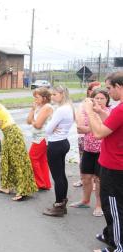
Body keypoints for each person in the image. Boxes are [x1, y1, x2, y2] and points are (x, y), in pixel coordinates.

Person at [85, 72, 123, 252]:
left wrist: (90, 113)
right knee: (110, 205)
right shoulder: (119, 109)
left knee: (114, 206)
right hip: (112, 162)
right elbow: (113, 121)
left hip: (115, 166)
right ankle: (110, 234)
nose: (107, 92)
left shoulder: (121, 109)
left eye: (109, 88)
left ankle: (119, 247)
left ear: (119, 86)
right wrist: (100, 112)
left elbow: (99, 133)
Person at [70, 89, 111, 217]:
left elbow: (103, 129)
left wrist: (90, 128)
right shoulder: (87, 111)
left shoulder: (108, 112)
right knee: (86, 177)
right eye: (96, 98)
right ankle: (85, 200)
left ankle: (99, 205)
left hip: (102, 151)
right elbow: (79, 128)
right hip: (88, 149)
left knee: (99, 180)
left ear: (107, 100)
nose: (98, 101)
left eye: (102, 98)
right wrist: (93, 127)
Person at [42, 86, 75, 217]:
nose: (52, 97)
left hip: (55, 144)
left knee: (57, 177)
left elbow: (48, 130)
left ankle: (58, 205)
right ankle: (62, 202)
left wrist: (51, 125)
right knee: (61, 175)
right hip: (63, 142)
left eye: (54, 94)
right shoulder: (70, 107)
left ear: (62, 94)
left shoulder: (61, 109)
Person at [74, 81, 102, 188]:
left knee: (98, 163)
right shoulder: (83, 105)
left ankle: (96, 181)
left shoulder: (102, 106)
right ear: (89, 91)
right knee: (83, 160)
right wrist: (95, 127)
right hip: (85, 139)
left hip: (99, 140)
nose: (98, 92)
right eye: (95, 90)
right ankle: (83, 180)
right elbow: (79, 127)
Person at [26, 87, 53, 190]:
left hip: (42, 137)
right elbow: (28, 121)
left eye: (37, 97)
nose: (35, 99)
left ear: (44, 98)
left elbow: (38, 125)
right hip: (38, 136)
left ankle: (39, 183)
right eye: (34, 97)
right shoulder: (38, 106)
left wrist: (34, 122)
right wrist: (32, 109)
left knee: (32, 158)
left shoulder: (47, 107)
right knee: (42, 160)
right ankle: (45, 184)